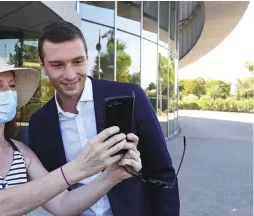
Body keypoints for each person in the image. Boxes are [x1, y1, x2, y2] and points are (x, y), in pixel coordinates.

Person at [0, 51, 142, 216]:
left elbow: (63, 205)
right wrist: (78, 168)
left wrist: (111, 176)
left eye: (11, 86)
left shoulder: (22, 153)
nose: (8, 93)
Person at [28, 20, 180, 216]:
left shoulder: (130, 96)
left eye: (77, 61)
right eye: (57, 65)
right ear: (43, 67)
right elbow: (51, 188)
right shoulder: (39, 123)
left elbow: (163, 172)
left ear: (87, 58)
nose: (70, 74)